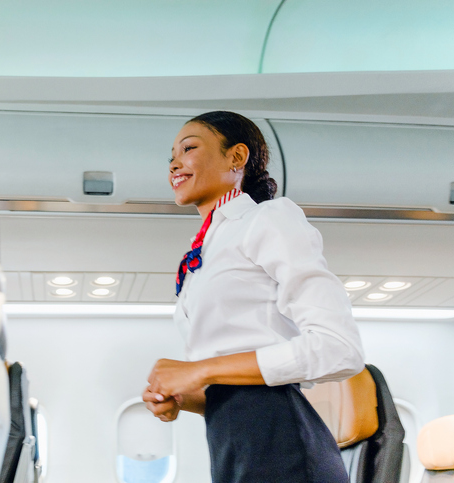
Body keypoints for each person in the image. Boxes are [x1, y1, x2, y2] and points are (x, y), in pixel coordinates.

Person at [142, 111, 365, 483]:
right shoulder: (205, 251)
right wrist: (186, 397)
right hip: (232, 441)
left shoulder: (268, 219)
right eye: (170, 156)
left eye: (189, 148)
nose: (174, 163)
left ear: (237, 157)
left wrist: (198, 370)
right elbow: (233, 382)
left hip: (282, 445)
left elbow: (339, 349)